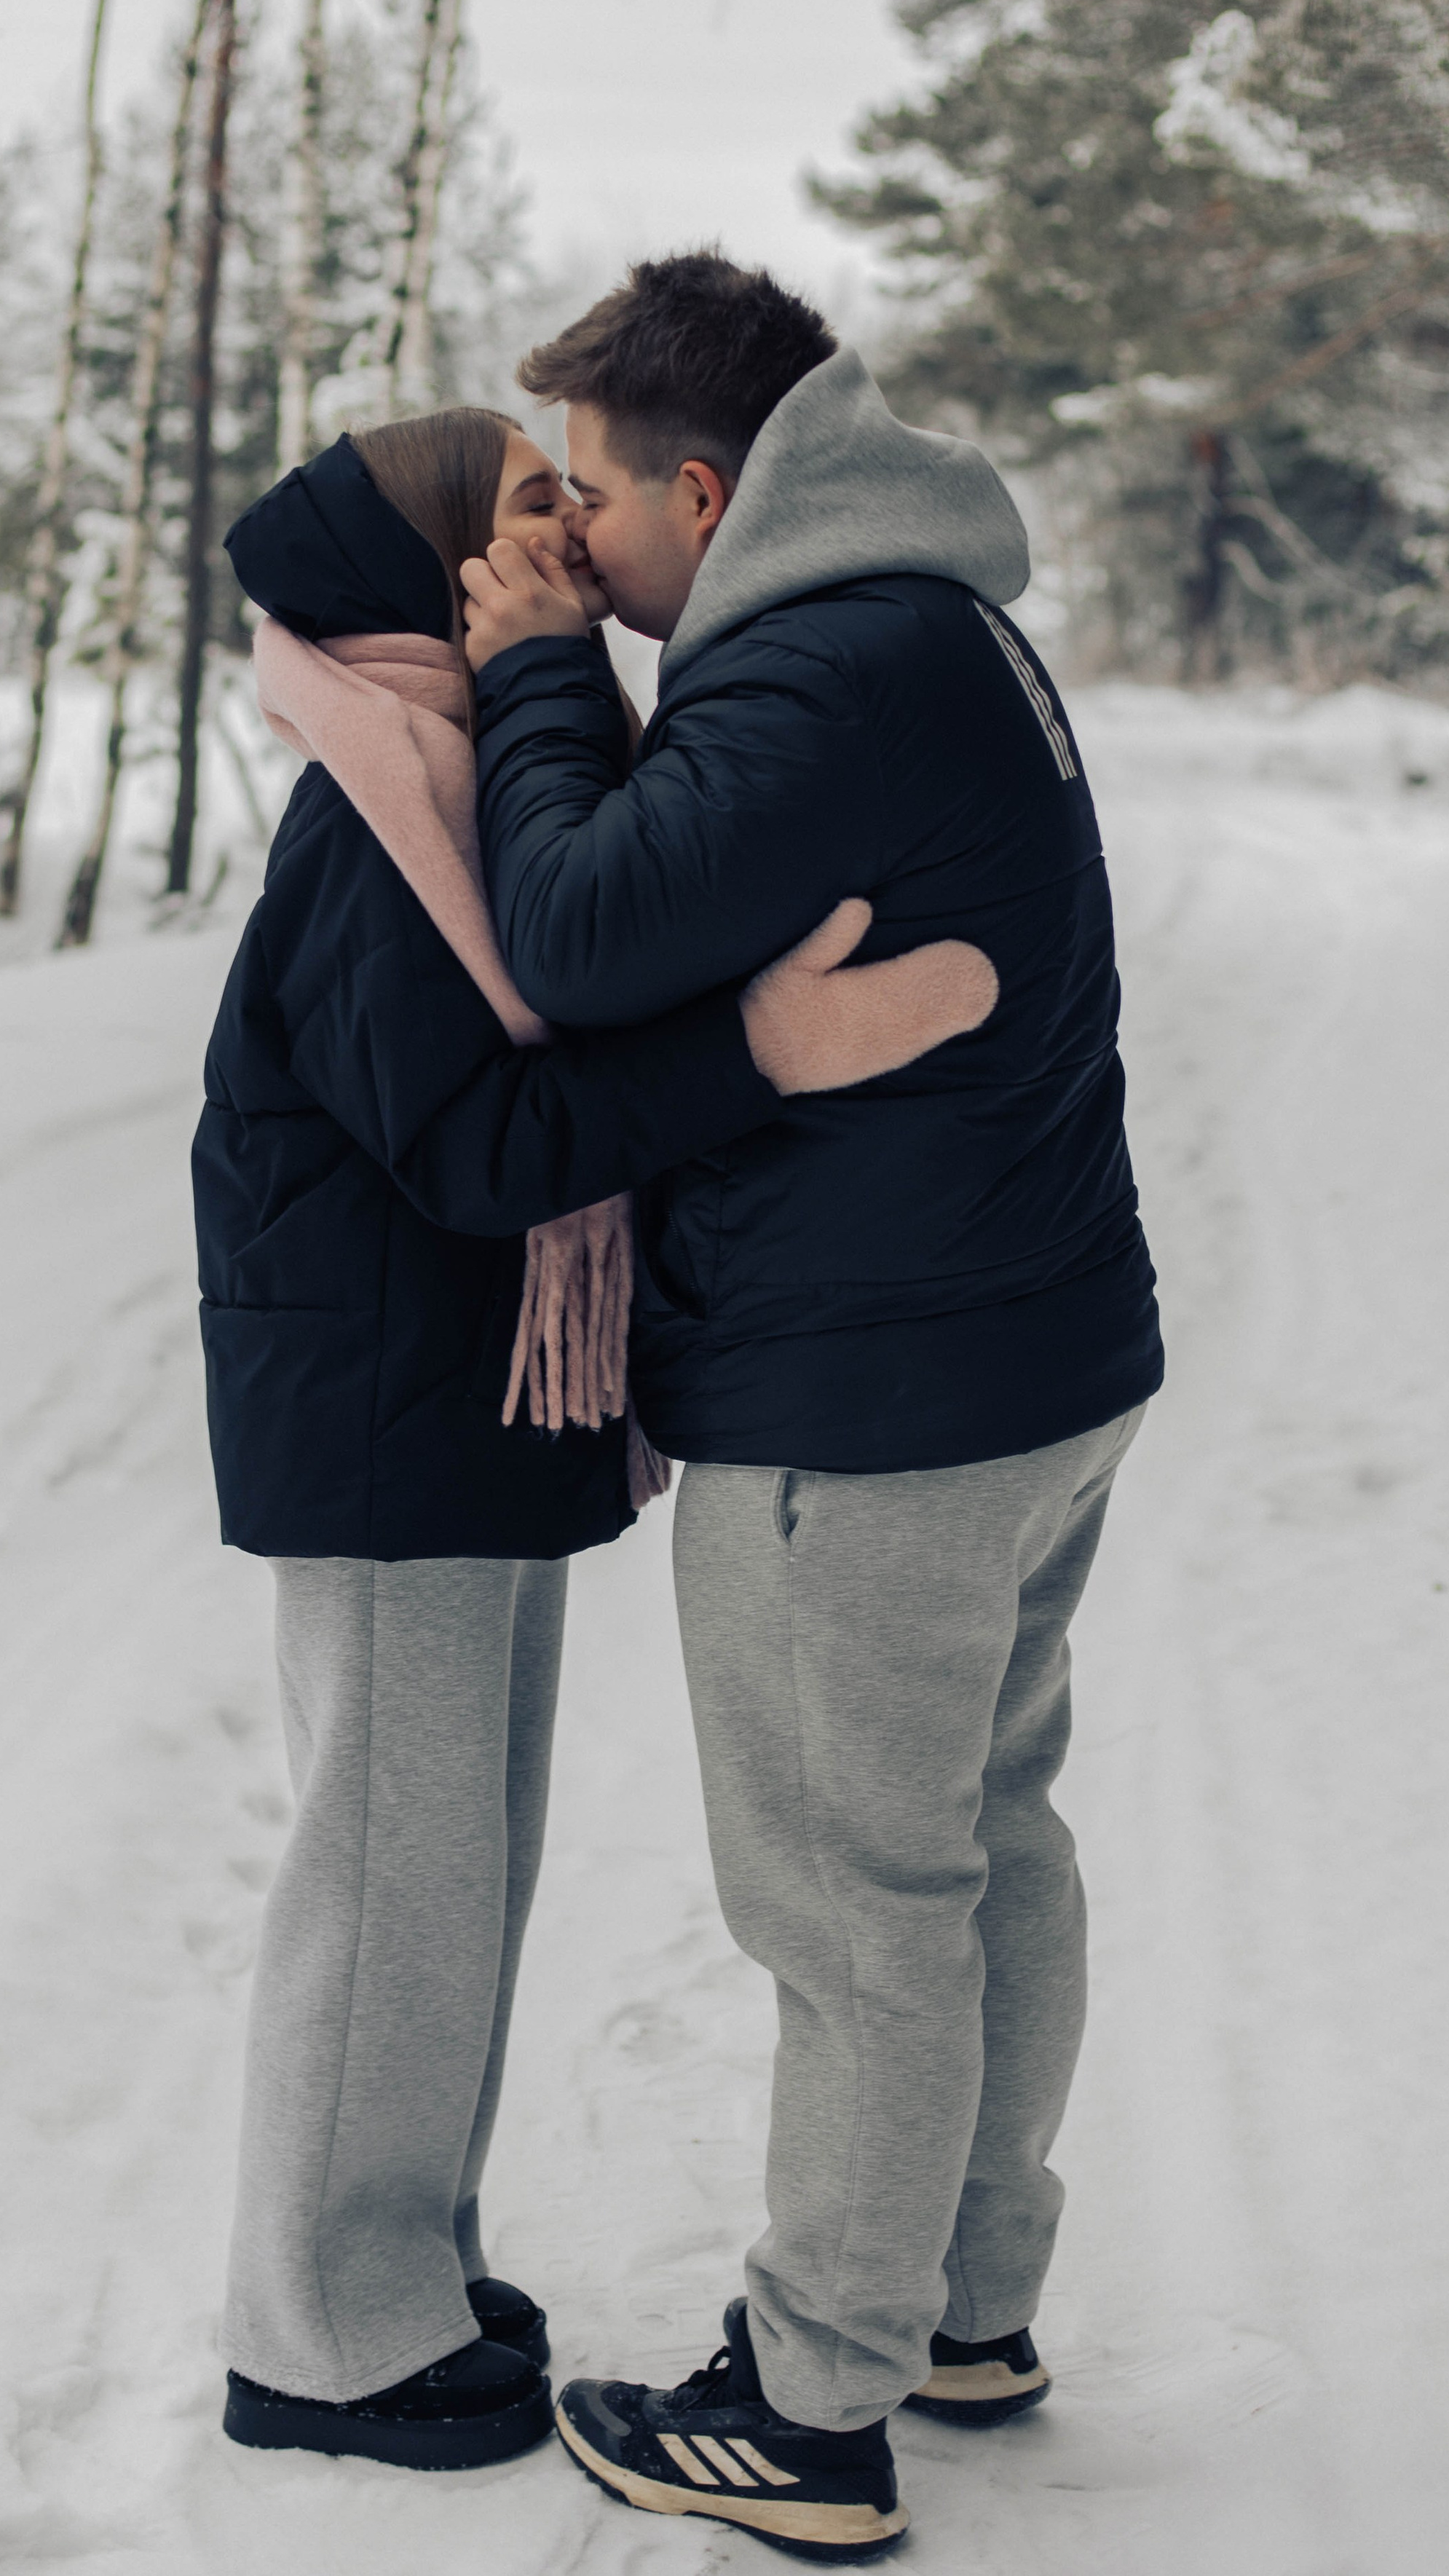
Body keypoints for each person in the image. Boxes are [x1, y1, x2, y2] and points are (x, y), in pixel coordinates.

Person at [192, 405, 1000, 2478]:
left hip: (448, 1401)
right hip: (388, 1415)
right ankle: (323, 2334)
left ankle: (399, 2268)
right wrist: (756, 1053)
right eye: (519, 512)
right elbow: (477, 1152)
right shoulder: (377, 821)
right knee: (386, 1874)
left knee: (447, 1865)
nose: (558, 539)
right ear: (427, 569)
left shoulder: (447, 780)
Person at [457, 253, 1165, 2560]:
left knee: (857, 1906)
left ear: (699, 487)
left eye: (583, 498)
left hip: (866, 1415)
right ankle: (960, 2306)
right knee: (982, 1844)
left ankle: (816, 2400)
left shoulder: (819, 671)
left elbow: (567, 936)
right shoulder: (927, 622)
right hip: (1020, 1368)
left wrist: (539, 670)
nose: (565, 538)